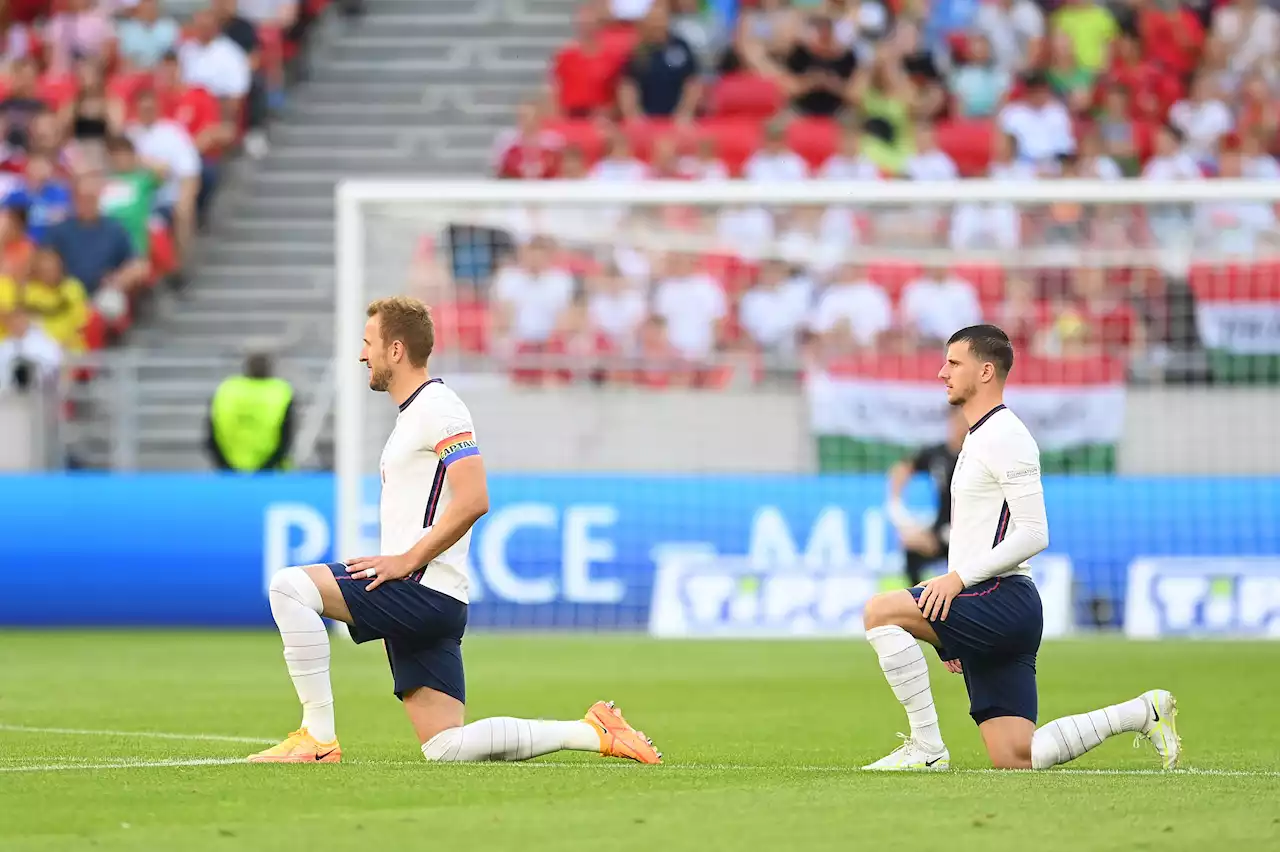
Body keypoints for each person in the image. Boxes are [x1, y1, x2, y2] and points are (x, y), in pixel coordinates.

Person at [247, 296, 662, 765]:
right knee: (446, 747)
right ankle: (593, 732)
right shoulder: (416, 413)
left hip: (418, 588)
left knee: (289, 587)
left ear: (396, 349)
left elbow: (475, 498)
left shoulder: (439, 407)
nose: (363, 354)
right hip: (435, 595)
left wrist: (407, 560)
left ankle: (317, 738)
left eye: (368, 343)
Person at [859, 325, 1179, 772]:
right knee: (1016, 757)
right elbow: (977, 533)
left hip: (1000, 599)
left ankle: (927, 748)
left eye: (954, 363)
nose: (941, 372)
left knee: (879, 611)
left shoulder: (1007, 436)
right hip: (989, 604)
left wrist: (955, 582)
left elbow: (1034, 532)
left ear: (986, 371)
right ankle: (1143, 711)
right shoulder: (977, 435)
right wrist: (946, 630)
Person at [887, 408, 966, 587]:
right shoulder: (937, 454)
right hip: (941, 530)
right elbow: (902, 469)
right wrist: (896, 507)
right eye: (958, 419)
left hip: (969, 534)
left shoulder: (978, 455)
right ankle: (919, 603)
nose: (962, 425)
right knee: (911, 544)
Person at [205, 352, 294, 472]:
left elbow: (211, 435)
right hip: (271, 474)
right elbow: (286, 439)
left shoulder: (226, 391)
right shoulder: (281, 393)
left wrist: (224, 466)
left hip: (229, 470)